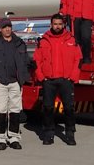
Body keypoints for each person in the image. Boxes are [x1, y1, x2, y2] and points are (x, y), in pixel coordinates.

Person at [0, 18, 31, 150]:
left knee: (15, 110)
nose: (7, 29)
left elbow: (26, 61)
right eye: (4, 27)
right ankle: (1, 138)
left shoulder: (19, 43)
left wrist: (23, 78)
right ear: (0, 29)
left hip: (15, 82)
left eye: (9, 26)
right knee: (0, 110)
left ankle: (14, 137)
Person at [33, 13, 82, 145]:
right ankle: (49, 134)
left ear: (64, 25)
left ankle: (70, 134)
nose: (58, 26)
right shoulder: (43, 41)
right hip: (49, 80)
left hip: (66, 80)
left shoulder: (72, 40)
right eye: (55, 24)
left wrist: (72, 77)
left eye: (60, 24)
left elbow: (78, 60)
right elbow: (36, 60)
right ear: (51, 25)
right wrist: (42, 77)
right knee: (48, 108)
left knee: (69, 108)